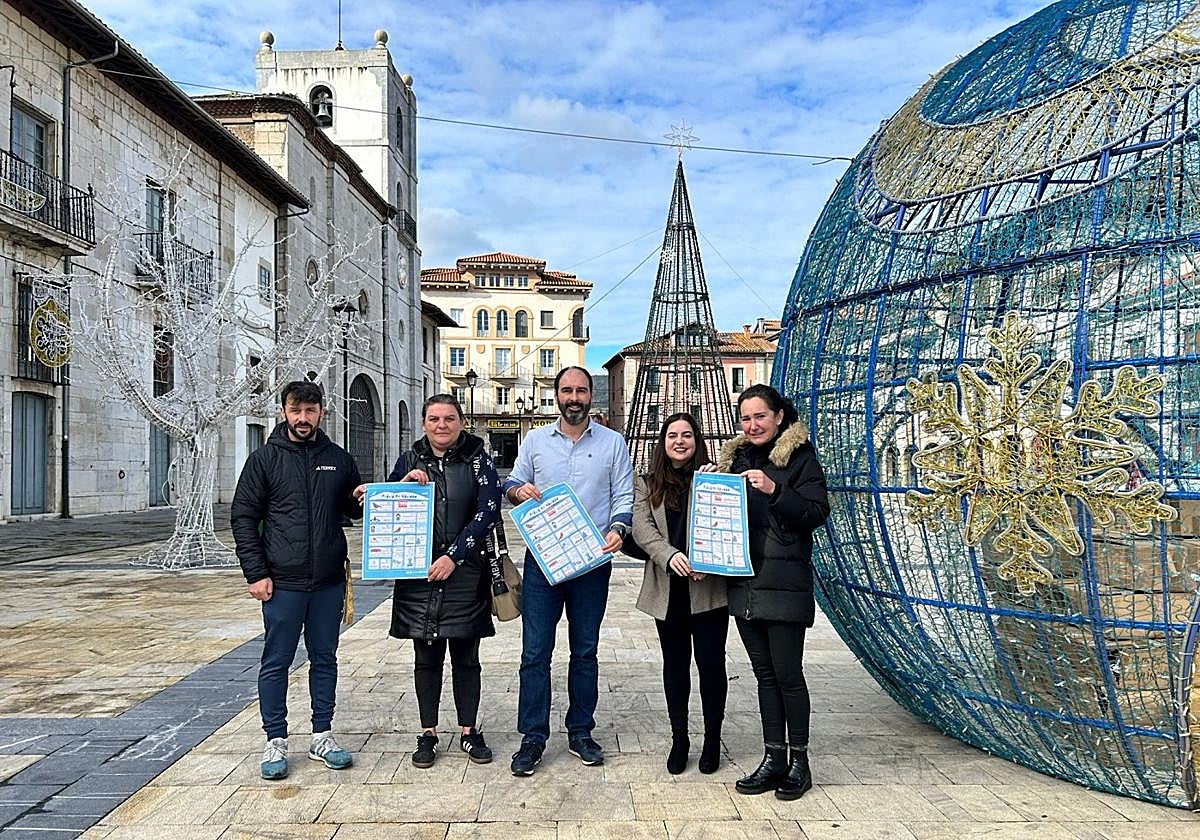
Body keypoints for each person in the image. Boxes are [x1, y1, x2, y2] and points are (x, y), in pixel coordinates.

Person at [355, 394, 502, 768]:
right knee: (426, 656)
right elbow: (387, 503)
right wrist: (402, 484)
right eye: (434, 419)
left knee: (467, 657)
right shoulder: (409, 459)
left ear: (461, 422)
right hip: (418, 574)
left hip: (465, 571)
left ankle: (469, 730)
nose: (442, 425)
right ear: (424, 423)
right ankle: (428, 732)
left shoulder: (478, 460)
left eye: (449, 418)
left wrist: (454, 556)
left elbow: (487, 512)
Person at [503, 366, 634, 776]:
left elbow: (624, 496)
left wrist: (618, 527)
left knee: (585, 650)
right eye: (566, 390)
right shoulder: (536, 441)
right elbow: (512, 482)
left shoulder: (613, 443)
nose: (573, 397)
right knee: (535, 652)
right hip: (543, 561)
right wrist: (518, 490)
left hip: (591, 563)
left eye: (580, 390)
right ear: (556, 395)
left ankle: (580, 731)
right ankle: (533, 737)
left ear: (590, 395)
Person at [231, 380, 363, 781]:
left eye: (310, 411)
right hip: (282, 584)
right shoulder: (265, 460)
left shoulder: (338, 458)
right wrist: (256, 573)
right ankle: (276, 740)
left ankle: (322, 734)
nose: (303, 418)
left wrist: (361, 498)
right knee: (277, 662)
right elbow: (242, 518)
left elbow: (349, 511)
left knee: (324, 659)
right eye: (295, 411)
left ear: (322, 411)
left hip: (327, 582)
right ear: (283, 412)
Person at [717, 384, 829, 800]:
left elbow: (816, 512)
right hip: (744, 582)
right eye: (745, 418)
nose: (752, 425)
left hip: (784, 583)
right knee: (764, 675)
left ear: (779, 416)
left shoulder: (799, 457)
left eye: (760, 416)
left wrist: (774, 489)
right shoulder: (736, 460)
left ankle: (800, 760)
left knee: (787, 674)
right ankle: (773, 757)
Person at [631, 412, 728, 775]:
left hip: (708, 590)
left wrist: (709, 559)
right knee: (675, 668)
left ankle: (713, 740)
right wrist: (669, 556)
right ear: (663, 442)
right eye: (673, 435)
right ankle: (680, 739)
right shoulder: (647, 482)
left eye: (687, 435)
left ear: (697, 441)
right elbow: (641, 529)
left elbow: (727, 526)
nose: (680, 441)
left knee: (711, 666)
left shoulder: (715, 477)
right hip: (669, 590)